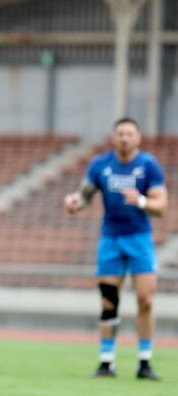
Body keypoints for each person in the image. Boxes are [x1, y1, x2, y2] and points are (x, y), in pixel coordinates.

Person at [64, 117, 168, 380]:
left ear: (138, 138)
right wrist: (76, 202)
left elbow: (161, 206)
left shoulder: (148, 165)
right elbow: (86, 196)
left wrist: (141, 200)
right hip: (110, 238)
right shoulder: (100, 164)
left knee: (145, 299)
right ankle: (106, 361)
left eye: (129, 134)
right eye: (120, 133)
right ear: (113, 137)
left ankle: (144, 362)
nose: (124, 138)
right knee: (108, 301)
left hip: (139, 239)